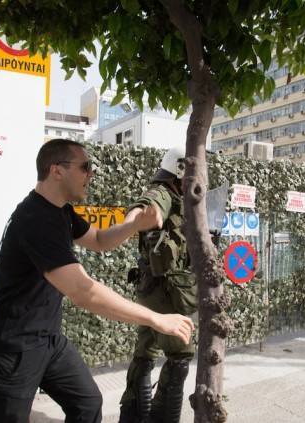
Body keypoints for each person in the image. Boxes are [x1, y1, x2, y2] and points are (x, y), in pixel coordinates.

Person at [0, 139, 195, 423]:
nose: (91, 174)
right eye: (85, 167)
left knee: (87, 403)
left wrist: (133, 225)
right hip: (13, 346)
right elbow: (83, 291)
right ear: (56, 170)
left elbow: (100, 240)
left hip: (48, 340)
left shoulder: (61, 211)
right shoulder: (36, 220)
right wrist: (156, 319)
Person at [118, 147, 197, 423]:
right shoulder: (163, 193)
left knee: (145, 351)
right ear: (179, 172)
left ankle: (132, 416)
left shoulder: (179, 197)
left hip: (151, 288)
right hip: (164, 292)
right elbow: (146, 205)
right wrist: (140, 216)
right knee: (180, 355)